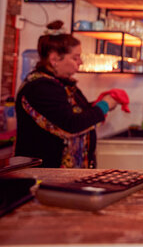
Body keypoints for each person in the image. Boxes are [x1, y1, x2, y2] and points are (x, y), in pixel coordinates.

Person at [15, 21, 119, 168]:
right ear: (54, 59)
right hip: (45, 175)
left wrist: (97, 105)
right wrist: (103, 106)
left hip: (61, 175)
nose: (81, 62)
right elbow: (71, 124)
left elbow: (75, 112)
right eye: (75, 57)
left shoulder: (62, 84)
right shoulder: (40, 87)